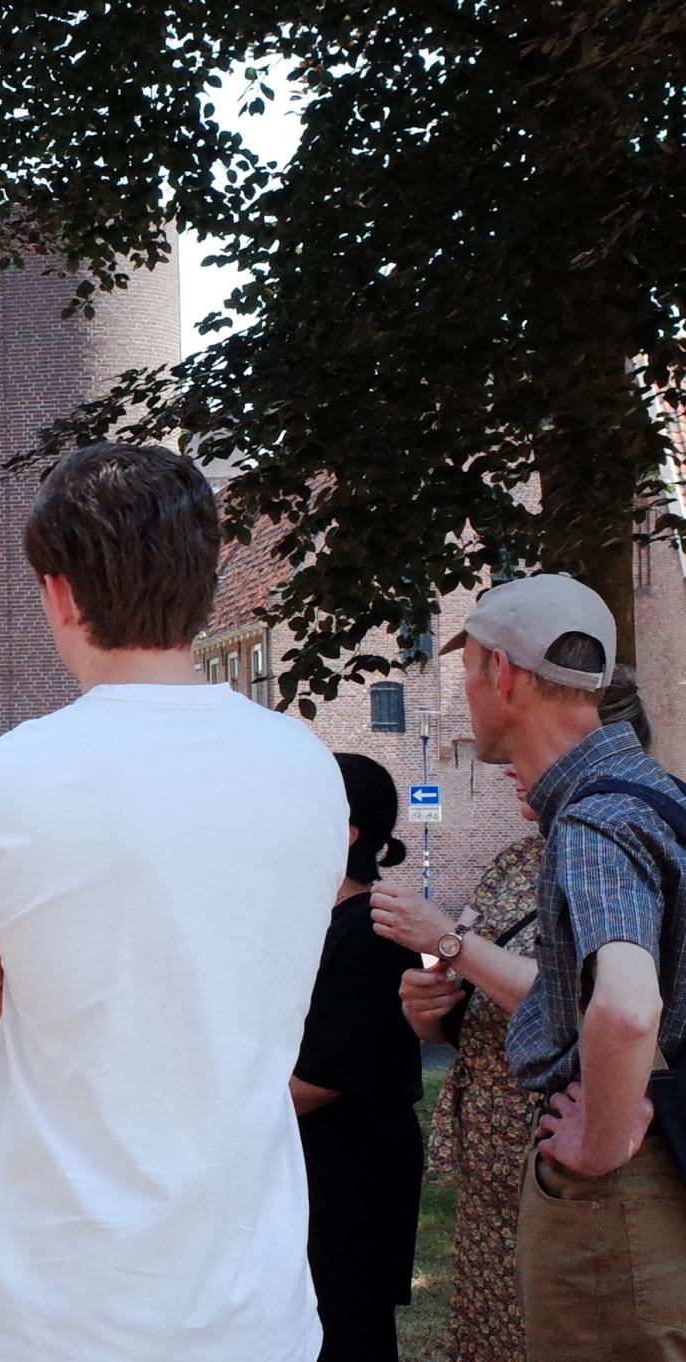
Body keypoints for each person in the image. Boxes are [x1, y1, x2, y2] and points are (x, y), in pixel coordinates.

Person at [0, 441, 349, 1362]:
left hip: (50, 1316)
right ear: (206, 583)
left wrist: (9, 991)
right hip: (255, 1311)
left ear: (58, 592)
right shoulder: (308, 771)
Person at [427, 573, 686, 1361]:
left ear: (502, 675)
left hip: (619, 1194)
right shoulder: (660, 794)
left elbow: (629, 1007)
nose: (467, 691)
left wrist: (599, 1146)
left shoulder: (596, 819)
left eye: (468, 670)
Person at [373, 666, 655, 1362]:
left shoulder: (613, 851)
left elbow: (587, 1001)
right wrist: (428, 1004)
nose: (504, 768)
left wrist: (449, 941)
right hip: (493, 1179)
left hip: (568, 1170)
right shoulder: (512, 863)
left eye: (519, 747)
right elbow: (461, 982)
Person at [292, 753, 423, 1362]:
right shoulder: (317, 922)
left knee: (346, 1328)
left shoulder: (370, 932)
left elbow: (324, 1078)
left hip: (352, 1172)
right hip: (318, 1162)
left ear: (343, 834)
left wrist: (217, 1111)